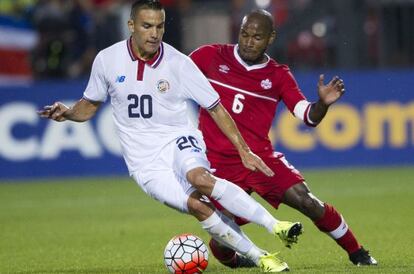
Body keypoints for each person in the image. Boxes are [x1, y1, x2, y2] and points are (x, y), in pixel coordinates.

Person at [38, 1, 303, 272]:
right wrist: (69, 113)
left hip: (179, 138)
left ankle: (275, 225)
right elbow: (88, 106)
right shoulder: (107, 60)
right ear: (131, 26)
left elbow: (216, 108)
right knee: (198, 207)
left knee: (201, 179)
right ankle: (261, 257)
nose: (154, 33)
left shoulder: (179, 63)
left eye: (160, 26)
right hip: (144, 161)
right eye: (147, 26)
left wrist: (243, 149)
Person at [189, 9, 377, 268]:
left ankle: (358, 253)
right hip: (218, 164)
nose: (248, 41)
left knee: (307, 201)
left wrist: (322, 104)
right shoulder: (209, 56)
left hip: (260, 159)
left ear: (270, 38)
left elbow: (308, 116)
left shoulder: (278, 75)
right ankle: (234, 260)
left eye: (257, 36)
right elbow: (174, 75)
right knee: (222, 235)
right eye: (244, 34)